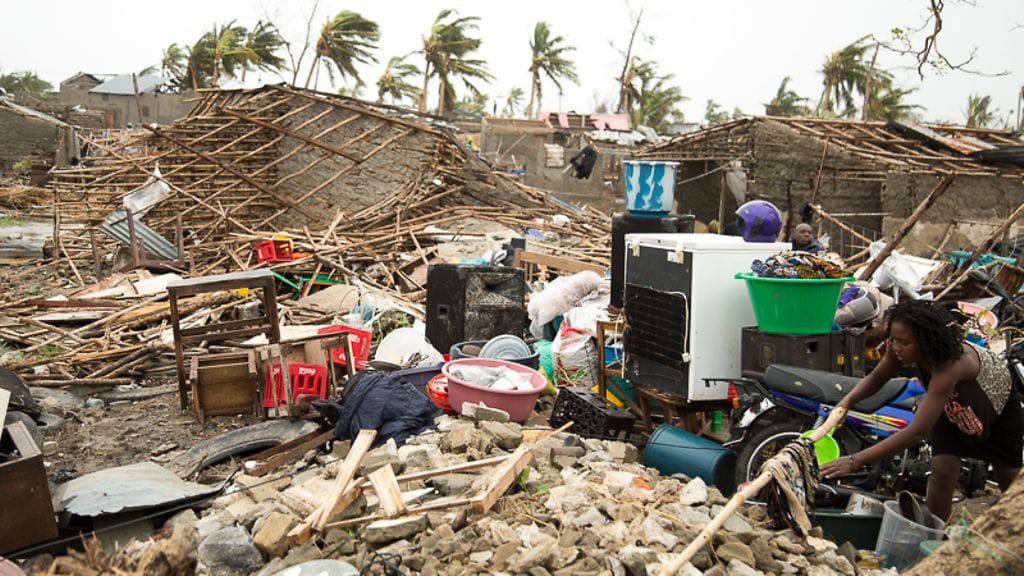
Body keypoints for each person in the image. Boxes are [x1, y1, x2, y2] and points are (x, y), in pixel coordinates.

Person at [820, 300, 1023, 521]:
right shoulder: (899, 350)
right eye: (894, 339)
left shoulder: (952, 365)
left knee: (1009, 477)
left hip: (995, 408)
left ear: (927, 342)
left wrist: (855, 461)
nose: (896, 347)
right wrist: (847, 402)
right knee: (942, 471)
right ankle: (936, 535)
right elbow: (877, 377)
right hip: (951, 406)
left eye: (904, 342)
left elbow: (917, 431)